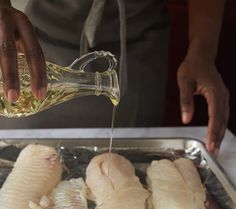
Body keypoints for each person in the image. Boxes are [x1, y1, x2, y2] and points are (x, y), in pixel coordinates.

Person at [0, 0, 229, 155]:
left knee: (127, 157)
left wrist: (203, 50)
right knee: (22, 157)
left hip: (137, 44)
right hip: (36, 44)